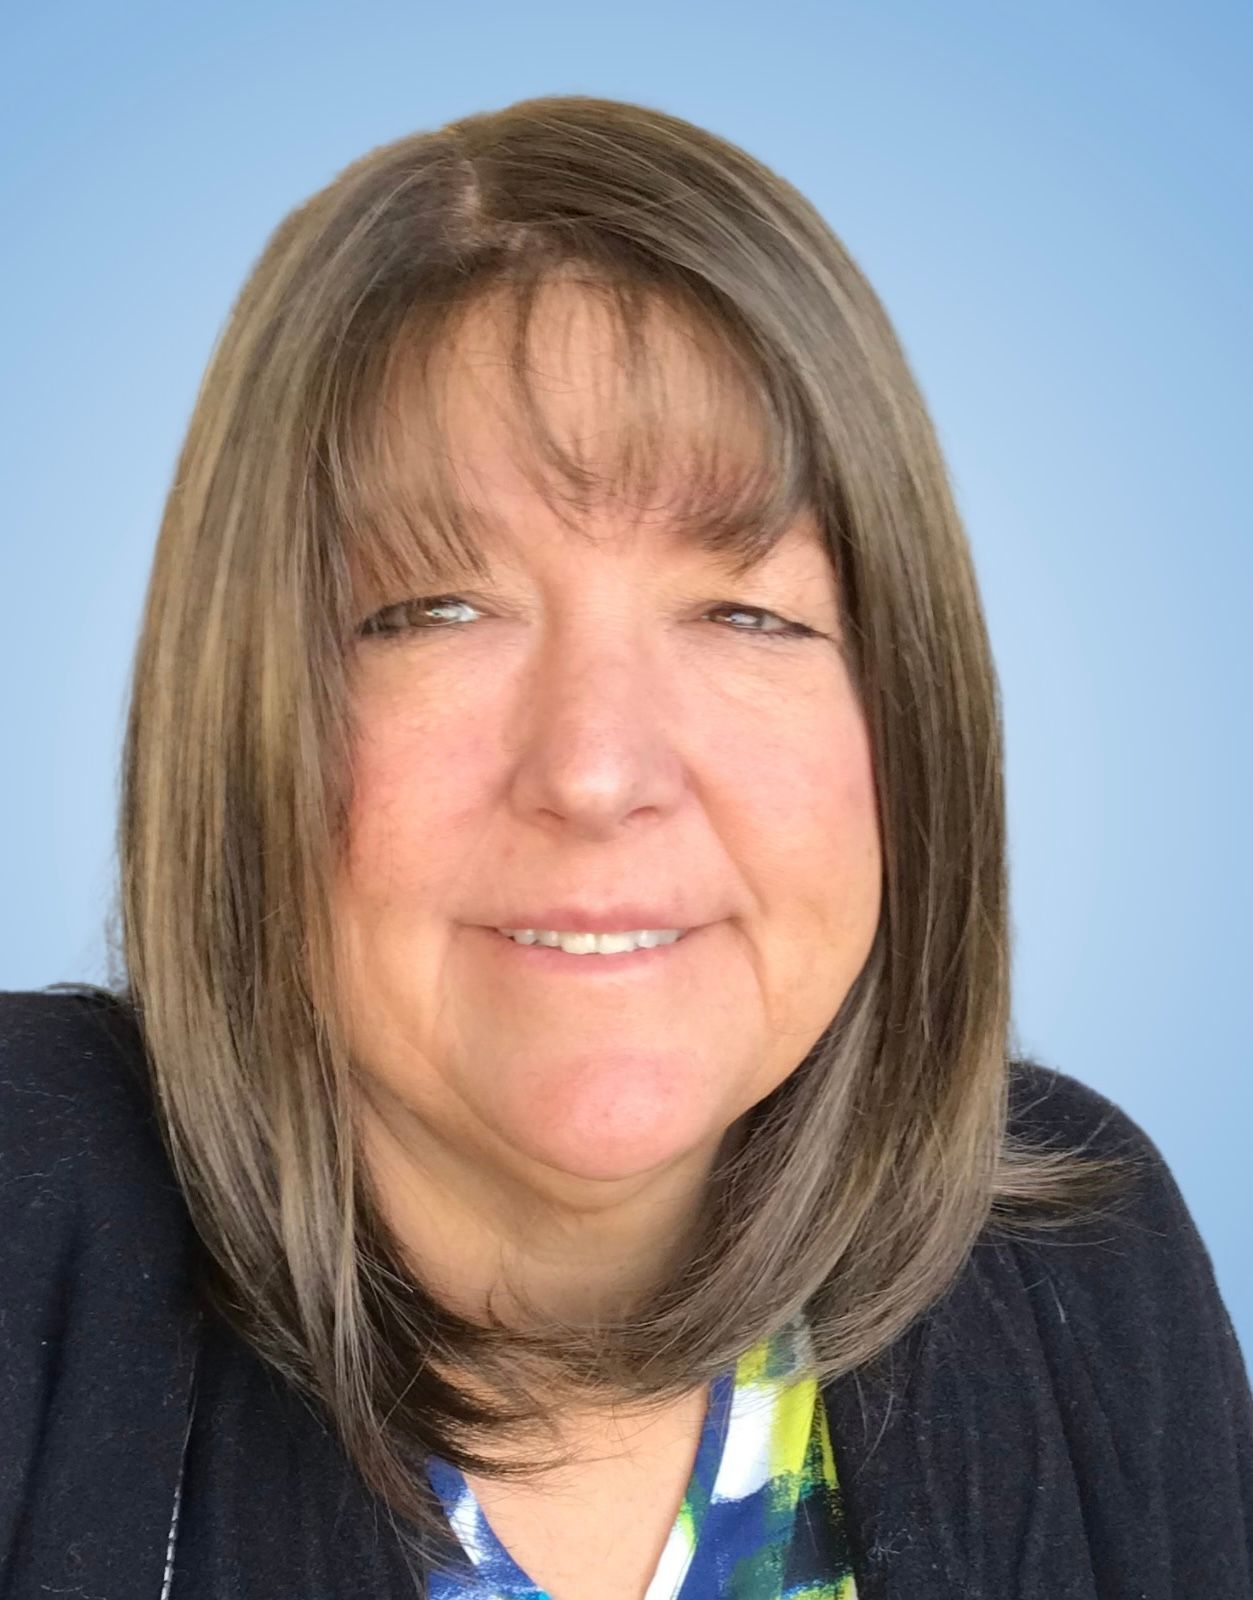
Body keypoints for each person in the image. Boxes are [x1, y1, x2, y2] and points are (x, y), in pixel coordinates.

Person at [1, 94, 1249, 1600]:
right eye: (432, 612)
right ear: (240, 727)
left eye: (747, 614)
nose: (596, 772)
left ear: (912, 729)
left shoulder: (1080, 1266)